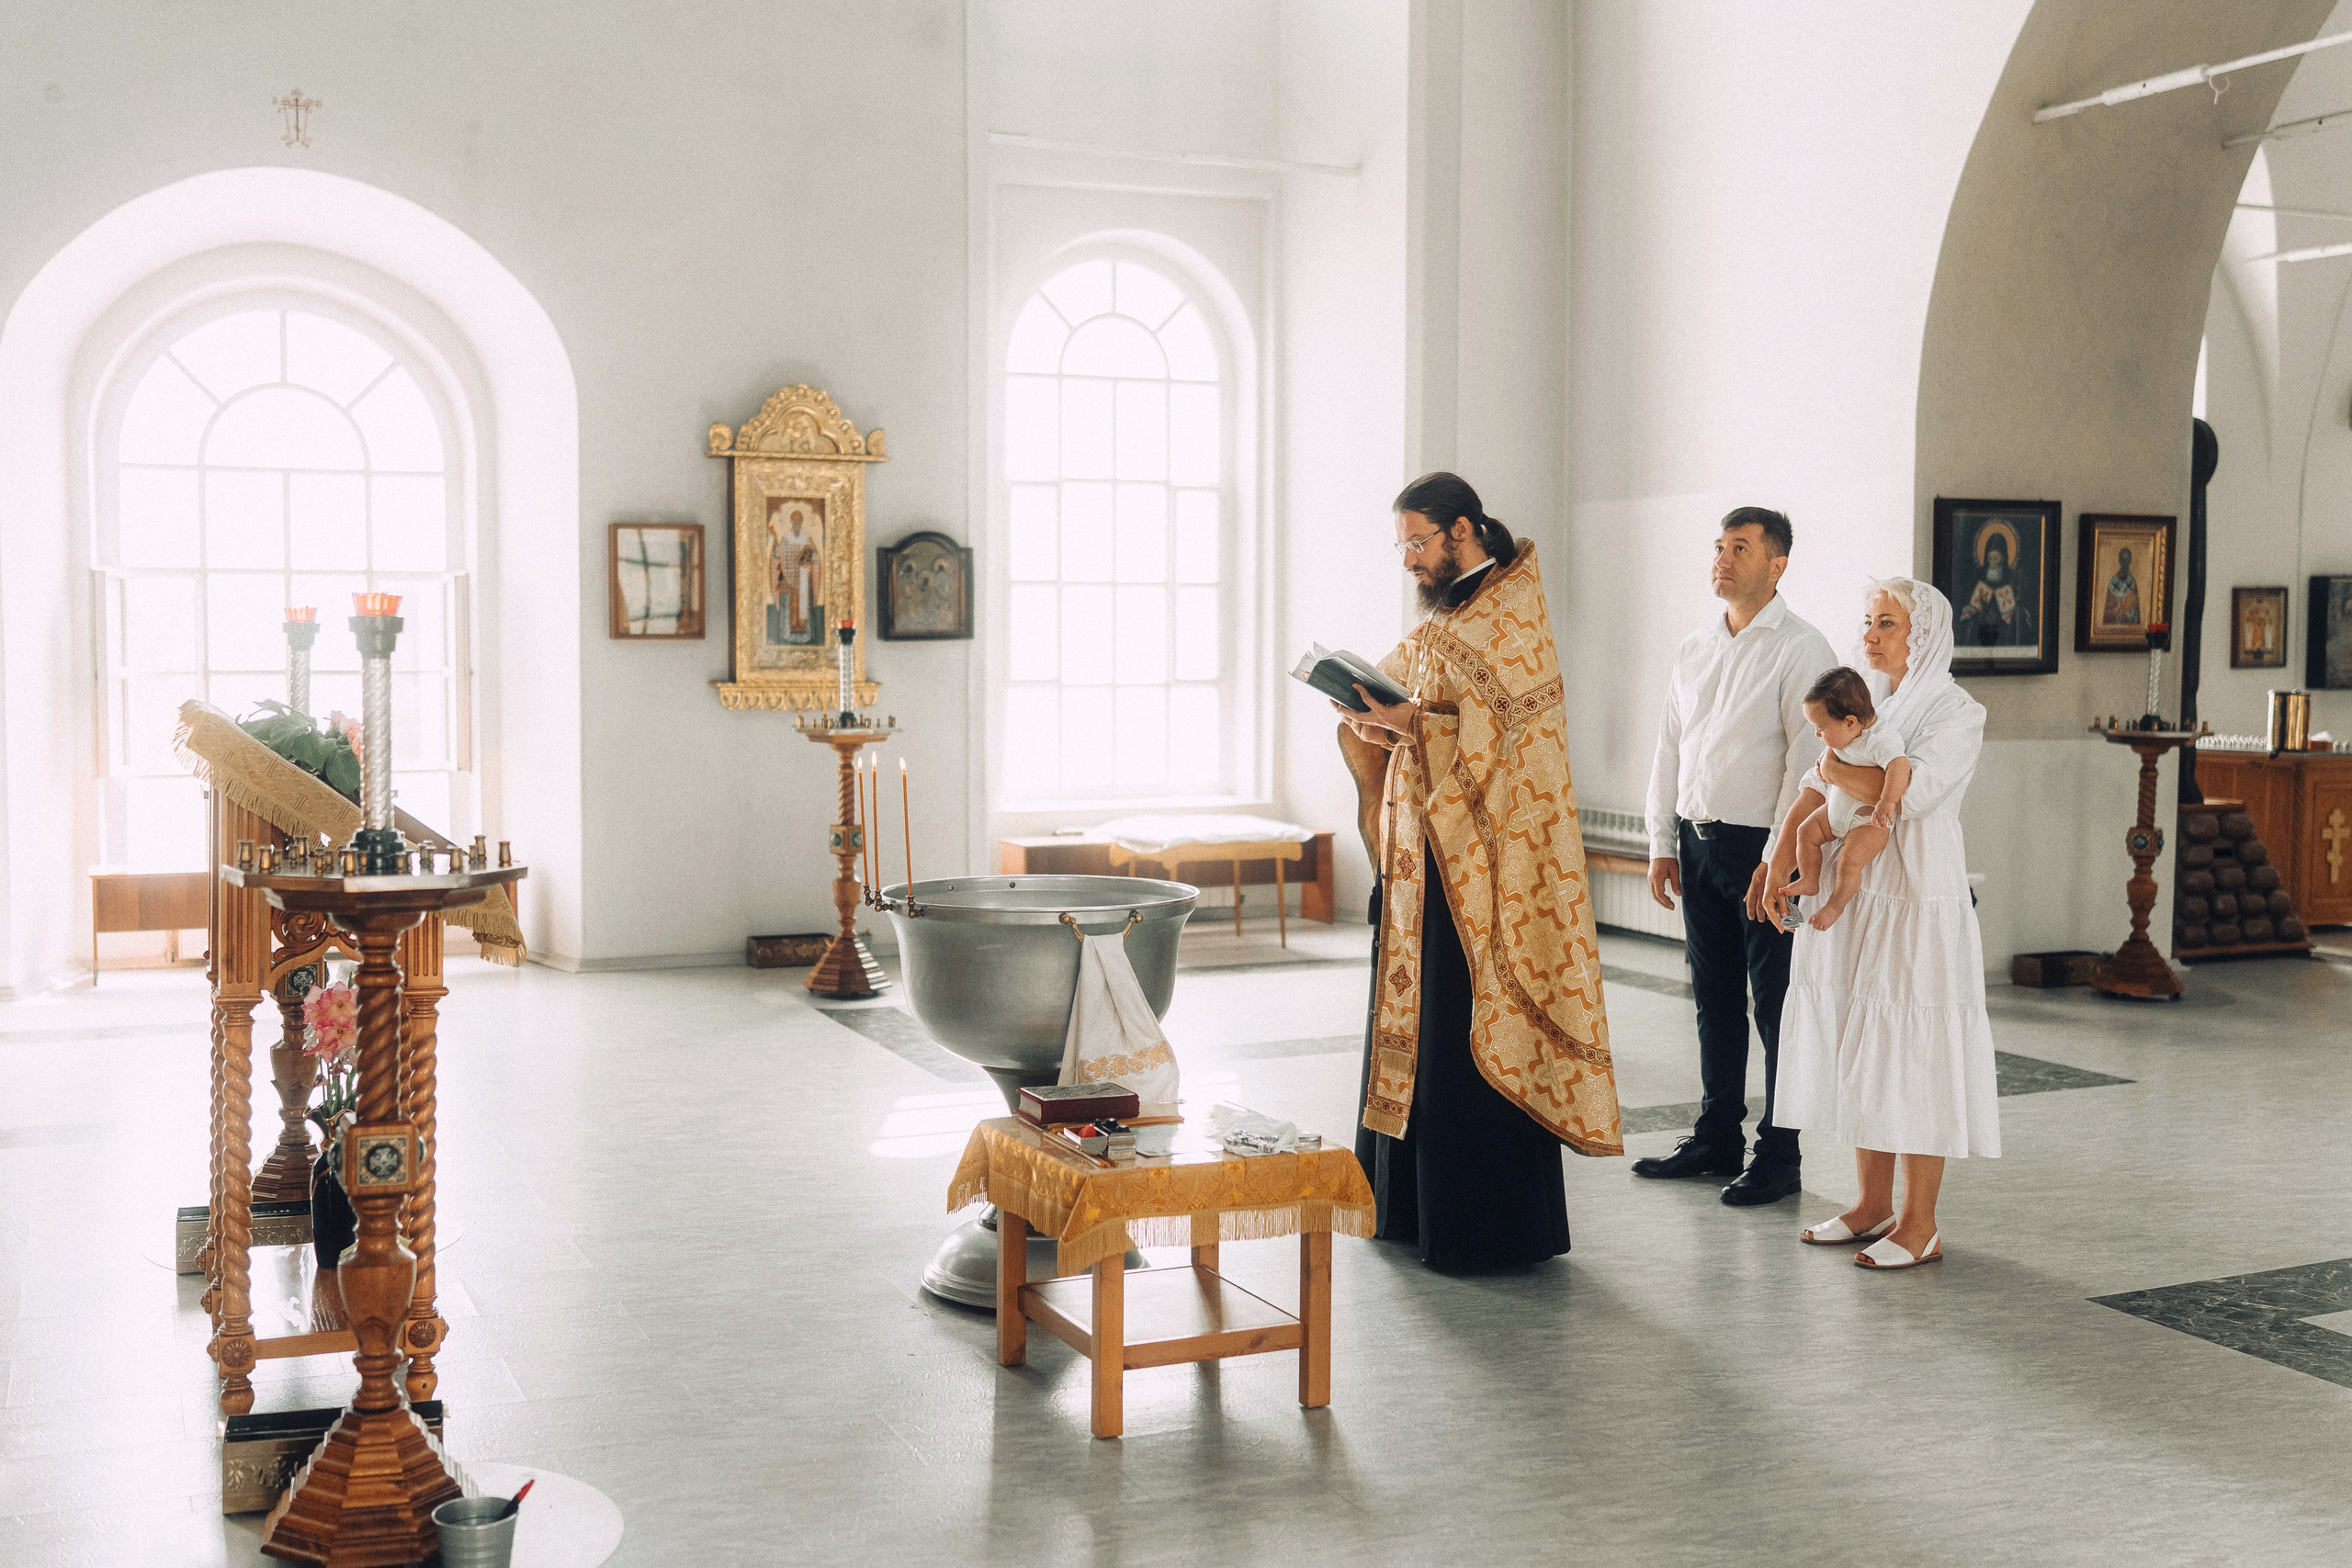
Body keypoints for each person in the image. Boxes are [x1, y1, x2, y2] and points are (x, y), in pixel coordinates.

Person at [1336, 471, 1621, 1271]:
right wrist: (1377, 716)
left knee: (1457, 1028)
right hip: (1424, 854)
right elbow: (1434, 712)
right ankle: (1406, 1209)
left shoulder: (1511, 611)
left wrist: (1409, 725)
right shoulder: (1447, 612)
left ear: (1461, 531)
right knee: (1415, 1025)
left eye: (1417, 543)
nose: (1409, 562)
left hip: (1485, 871)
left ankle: (1483, 1226)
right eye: (1403, 547)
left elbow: (1506, 745)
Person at [1757, 578, 1999, 1269]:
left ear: (1922, 633)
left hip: (1917, 890)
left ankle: (1920, 1223)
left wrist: (1839, 771)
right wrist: (1776, 859)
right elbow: (1817, 781)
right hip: (1857, 885)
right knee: (1862, 1033)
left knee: (1914, 1044)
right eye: (1868, 621)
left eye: (1886, 623)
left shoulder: (1958, 711)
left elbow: (1914, 792)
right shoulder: (1872, 704)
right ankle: (1870, 1204)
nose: (1870, 636)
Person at [1636, 507, 1837, 1206]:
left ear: (1776, 564)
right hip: (1698, 843)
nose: (1722, 559)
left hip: (1763, 848)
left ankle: (1780, 1154)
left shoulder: (1802, 648)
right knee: (1713, 1001)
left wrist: (1778, 854)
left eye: (1740, 548)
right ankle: (1717, 1133)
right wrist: (1662, 842)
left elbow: (1807, 761)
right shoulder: (1694, 648)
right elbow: (1670, 747)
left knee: (1776, 1005)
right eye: (1719, 546)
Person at [1783, 667, 1910, 932]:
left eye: (1820, 729)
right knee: (1805, 832)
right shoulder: (1843, 736)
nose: (1818, 735)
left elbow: (1899, 768)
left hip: (1867, 821)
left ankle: (1835, 905)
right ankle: (1809, 878)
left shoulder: (1880, 740)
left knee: (1849, 860)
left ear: (1850, 721)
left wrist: (1887, 801)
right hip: (1835, 813)